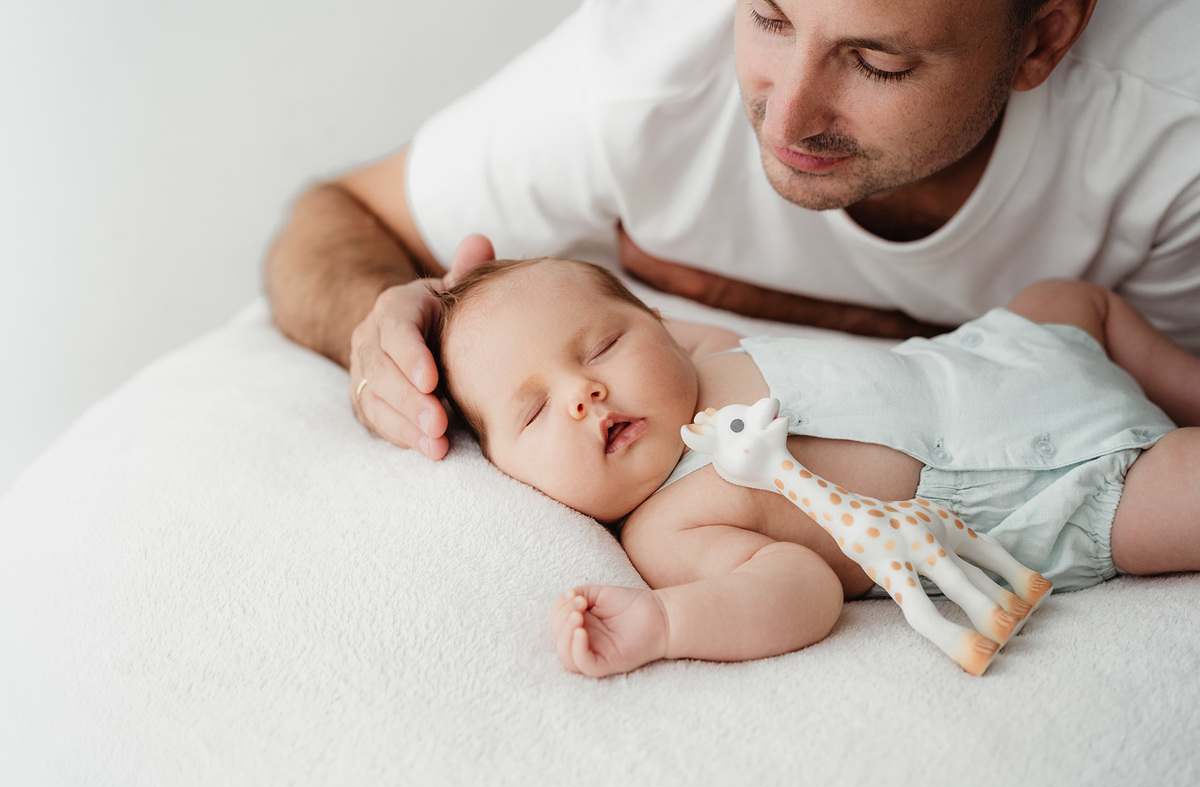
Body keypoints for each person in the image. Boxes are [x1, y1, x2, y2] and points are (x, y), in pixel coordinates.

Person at [265, 0, 1200, 462]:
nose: (786, 121)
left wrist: (849, 326)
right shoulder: (633, 85)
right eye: (770, 19)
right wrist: (383, 329)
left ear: (1042, 38)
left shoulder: (1171, 137)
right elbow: (337, 216)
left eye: (877, 63)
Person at [430, 256, 1199, 677]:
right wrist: (667, 623)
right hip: (1051, 491)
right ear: (508, 472)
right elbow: (800, 590)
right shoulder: (666, 528)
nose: (582, 392)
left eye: (601, 346)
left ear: (660, 327)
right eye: (534, 412)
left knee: (1072, 297)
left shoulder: (702, 358)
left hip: (991, 358)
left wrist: (452, 291)